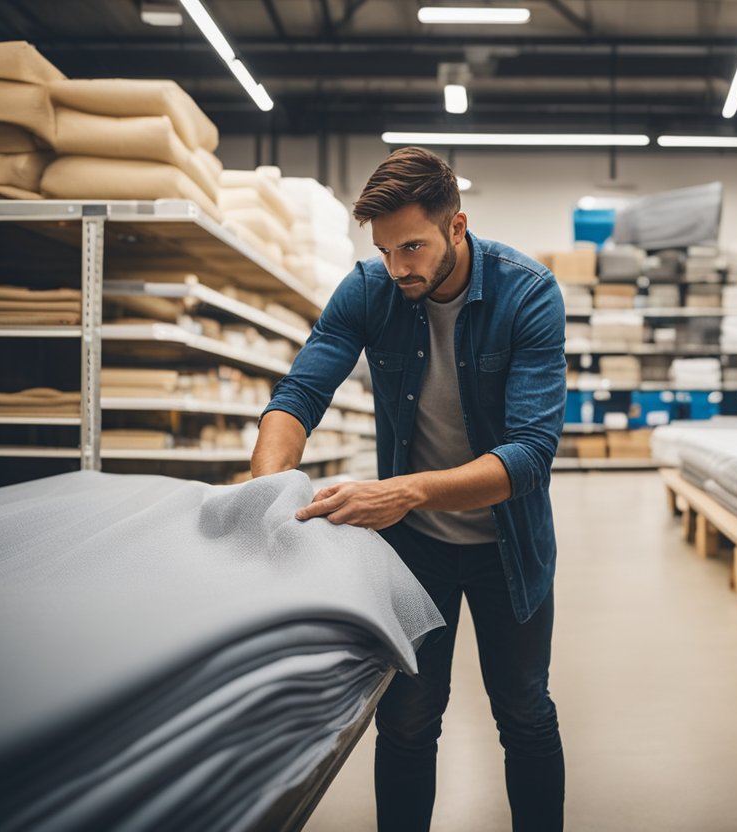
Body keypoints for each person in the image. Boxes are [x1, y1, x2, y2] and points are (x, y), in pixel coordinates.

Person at [251, 146, 567, 831]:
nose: (399, 268)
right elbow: (301, 393)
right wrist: (263, 494)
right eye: (386, 251)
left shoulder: (529, 292)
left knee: (524, 711)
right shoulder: (370, 287)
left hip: (508, 548)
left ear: (457, 227)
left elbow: (530, 457)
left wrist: (402, 492)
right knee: (407, 719)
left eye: (414, 247)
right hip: (416, 550)